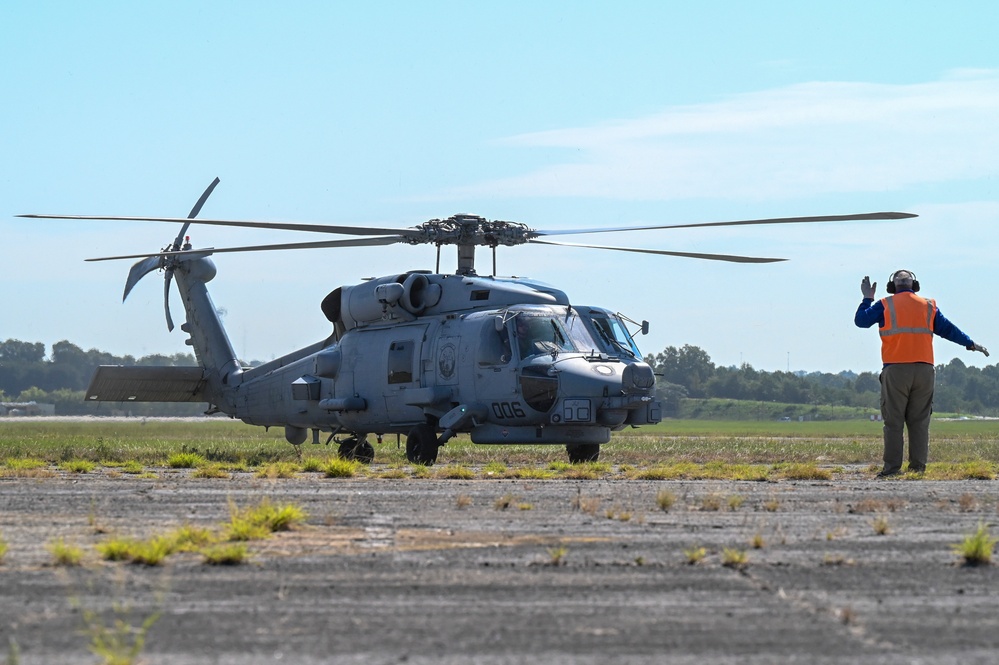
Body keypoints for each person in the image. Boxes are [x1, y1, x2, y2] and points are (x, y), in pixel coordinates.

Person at [855, 270, 989, 477]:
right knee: (919, 422)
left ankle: (891, 469)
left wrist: (867, 298)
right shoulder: (928, 306)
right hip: (925, 371)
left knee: (894, 422)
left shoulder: (885, 304)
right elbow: (949, 329)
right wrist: (970, 343)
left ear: (892, 286)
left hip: (896, 370)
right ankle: (917, 469)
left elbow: (861, 321)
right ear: (914, 285)